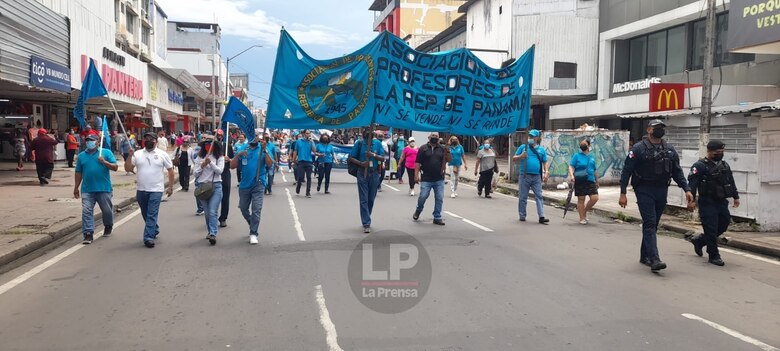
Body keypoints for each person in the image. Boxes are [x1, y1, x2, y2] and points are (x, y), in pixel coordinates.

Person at [619, 119, 693, 272]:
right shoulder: (638, 149)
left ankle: (644, 255)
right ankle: (654, 259)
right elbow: (627, 171)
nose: (659, 130)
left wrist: (686, 189)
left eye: (661, 128)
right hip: (644, 189)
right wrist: (623, 193)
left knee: (652, 224)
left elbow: (677, 172)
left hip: (661, 190)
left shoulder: (670, 150)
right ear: (649, 130)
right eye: (656, 127)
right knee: (650, 222)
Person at [686, 140, 739, 267]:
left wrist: (736, 196)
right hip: (707, 202)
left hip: (721, 202)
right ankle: (714, 255)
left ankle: (699, 240)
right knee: (711, 229)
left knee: (724, 224)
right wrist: (691, 201)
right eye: (717, 152)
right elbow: (692, 185)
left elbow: (731, 181)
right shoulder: (699, 166)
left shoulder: (725, 165)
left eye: (721, 152)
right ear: (709, 151)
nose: (719, 154)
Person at [124, 131, 175, 248]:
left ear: (155, 141)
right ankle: (154, 229)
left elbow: (170, 170)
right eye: (146, 139)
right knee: (145, 213)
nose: (148, 141)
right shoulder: (137, 154)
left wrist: (170, 187)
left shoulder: (162, 154)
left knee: (152, 213)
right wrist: (129, 156)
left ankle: (148, 237)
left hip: (156, 189)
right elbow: (128, 168)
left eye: (151, 139)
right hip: (141, 189)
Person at [73, 134, 118, 244]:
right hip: (87, 189)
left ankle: (108, 225)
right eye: (87, 140)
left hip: (103, 188)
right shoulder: (81, 156)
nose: (89, 142)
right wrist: (76, 187)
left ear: (98, 142)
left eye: (92, 140)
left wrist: (105, 162)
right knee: (86, 210)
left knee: (107, 210)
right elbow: (78, 172)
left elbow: (115, 167)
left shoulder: (106, 153)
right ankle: (88, 233)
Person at [231, 136, 274, 245]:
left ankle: (253, 233)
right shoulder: (242, 148)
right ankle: (251, 222)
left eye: (256, 137)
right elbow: (232, 166)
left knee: (256, 209)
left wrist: (265, 150)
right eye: (252, 136)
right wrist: (238, 155)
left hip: (259, 183)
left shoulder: (263, 148)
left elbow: (270, 164)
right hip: (245, 184)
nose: (254, 139)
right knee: (243, 208)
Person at [348, 129, 385, 233]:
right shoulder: (359, 143)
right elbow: (351, 158)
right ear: (364, 136)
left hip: (374, 173)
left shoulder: (377, 143)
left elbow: (382, 158)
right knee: (363, 199)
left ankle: (367, 215)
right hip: (362, 173)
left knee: (371, 199)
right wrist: (361, 163)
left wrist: (373, 155)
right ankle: (366, 222)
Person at [412, 132, 451, 225]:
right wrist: (416, 175)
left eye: (436, 136)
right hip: (426, 178)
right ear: (429, 137)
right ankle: (418, 210)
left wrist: (448, 151)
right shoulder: (423, 148)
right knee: (423, 196)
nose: (434, 137)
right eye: (433, 136)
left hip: (439, 178)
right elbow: (417, 163)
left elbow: (449, 160)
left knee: (439, 198)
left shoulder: (442, 148)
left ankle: (437, 217)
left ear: (438, 138)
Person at [513, 129, 550, 224]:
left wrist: (546, 171)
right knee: (523, 197)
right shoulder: (523, 147)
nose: (531, 138)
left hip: (536, 176)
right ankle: (522, 215)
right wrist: (521, 156)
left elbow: (545, 161)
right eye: (530, 136)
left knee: (539, 196)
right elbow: (514, 158)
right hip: (524, 175)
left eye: (533, 136)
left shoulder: (541, 150)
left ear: (537, 138)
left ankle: (541, 216)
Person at [193, 137, 225, 245]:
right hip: (203, 188)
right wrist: (202, 165)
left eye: (210, 143)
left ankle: (213, 233)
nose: (208, 145)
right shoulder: (199, 157)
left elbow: (220, 171)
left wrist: (210, 163)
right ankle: (210, 230)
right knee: (207, 213)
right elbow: (195, 174)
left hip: (215, 186)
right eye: (206, 144)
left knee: (212, 211)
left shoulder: (219, 157)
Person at [568, 139, 599, 225]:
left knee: (594, 198)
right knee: (581, 199)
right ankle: (582, 218)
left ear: (589, 146)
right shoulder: (577, 156)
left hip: (590, 180)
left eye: (584, 143)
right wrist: (572, 175)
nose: (582, 144)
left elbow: (595, 170)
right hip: (580, 180)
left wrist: (597, 181)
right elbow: (571, 166)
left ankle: (584, 211)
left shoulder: (592, 157)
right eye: (581, 143)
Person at [215, 129, 234, 227]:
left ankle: (223, 218)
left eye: (219, 135)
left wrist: (229, 159)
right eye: (216, 135)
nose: (218, 137)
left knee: (225, 197)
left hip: (225, 173)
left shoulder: (228, 147)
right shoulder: (209, 147)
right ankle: (212, 217)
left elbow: (233, 163)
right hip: (213, 174)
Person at [291, 129, 316, 197]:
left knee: (309, 177)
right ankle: (298, 186)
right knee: (300, 177)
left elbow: (314, 151)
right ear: (304, 134)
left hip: (309, 161)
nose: (308, 135)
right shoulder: (299, 141)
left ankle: (308, 192)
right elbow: (295, 151)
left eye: (309, 133)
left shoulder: (311, 141)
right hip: (301, 161)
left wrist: (311, 142)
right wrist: (293, 160)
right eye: (307, 133)